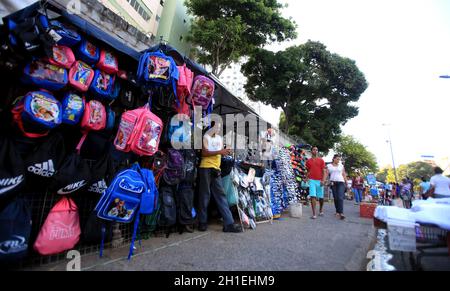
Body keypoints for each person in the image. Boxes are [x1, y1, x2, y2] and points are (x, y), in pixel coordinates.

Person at [197, 121, 243, 233]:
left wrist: (226, 152)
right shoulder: (206, 136)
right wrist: (220, 151)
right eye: (216, 127)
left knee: (221, 196)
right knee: (204, 195)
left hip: (216, 169)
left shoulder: (219, 138)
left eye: (219, 127)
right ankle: (202, 222)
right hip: (206, 168)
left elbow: (220, 153)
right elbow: (204, 153)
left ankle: (229, 223)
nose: (218, 129)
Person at [325, 154, 349, 220]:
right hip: (333, 183)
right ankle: (337, 211)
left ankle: (341, 213)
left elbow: (344, 174)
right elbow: (326, 174)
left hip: (341, 182)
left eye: (339, 159)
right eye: (337, 159)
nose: (338, 160)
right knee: (335, 198)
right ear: (334, 159)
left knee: (340, 197)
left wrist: (347, 183)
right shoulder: (329, 166)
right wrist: (324, 181)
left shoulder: (341, 166)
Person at [305, 147, 327, 219]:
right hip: (312, 180)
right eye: (314, 149)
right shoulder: (308, 161)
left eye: (317, 150)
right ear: (311, 151)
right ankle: (314, 213)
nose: (315, 151)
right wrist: (306, 178)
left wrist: (323, 180)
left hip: (320, 180)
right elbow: (308, 171)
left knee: (321, 198)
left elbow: (324, 171)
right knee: (312, 196)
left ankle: (320, 210)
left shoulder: (321, 160)